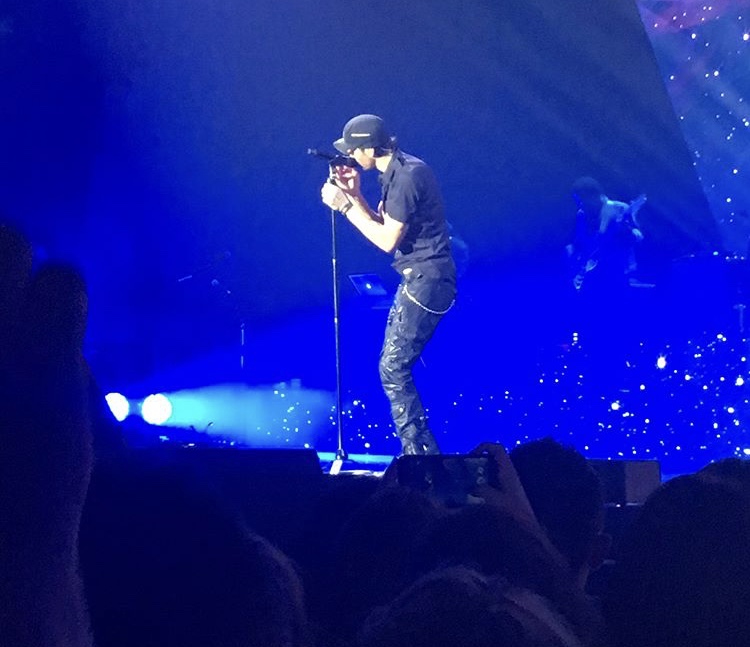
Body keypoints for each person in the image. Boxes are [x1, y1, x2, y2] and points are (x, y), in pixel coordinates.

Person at [320, 114, 456, 456]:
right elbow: (385, 225)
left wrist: (344, 207)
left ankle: (421, 457)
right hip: (420, 278)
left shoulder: (408, 176)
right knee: (393, 367)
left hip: (427, 281)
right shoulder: (396, 172)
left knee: (393, 368)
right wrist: (354, 195)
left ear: (368, 148)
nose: (350, 156)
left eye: (353, 150)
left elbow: (386, 241)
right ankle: (421, 453)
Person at [567, 177, 645, 293]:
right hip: (592, 275)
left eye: (581, 201)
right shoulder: (582, 215)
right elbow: (581, 243)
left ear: (594, 196)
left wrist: (628, 234)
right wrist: (578, 266)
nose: (580, 205)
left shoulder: (619, 208)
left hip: (618, 273)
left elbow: (639, 237)